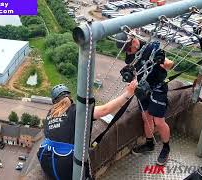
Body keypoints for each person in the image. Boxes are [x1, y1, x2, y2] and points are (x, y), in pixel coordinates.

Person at [37, 81, 137, 180]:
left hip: (44, 156)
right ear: (70, 98)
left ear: (54, 102)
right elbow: (104, 110)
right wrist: (128, 93)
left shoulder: (50, 114)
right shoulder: (76, 110)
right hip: (64, 160)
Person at [116, 32, 174, 165]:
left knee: (159, 121)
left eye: (131, 46)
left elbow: (170, 64)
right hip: (143, 88)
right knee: (146, 117)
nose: (131, 50)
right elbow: (135, 69)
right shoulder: (130, 56)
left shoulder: (151, 48)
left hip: (158, 87)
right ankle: (149, 144)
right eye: (128, 50)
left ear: (134, 39)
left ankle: (166, 147)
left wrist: (161, 61)